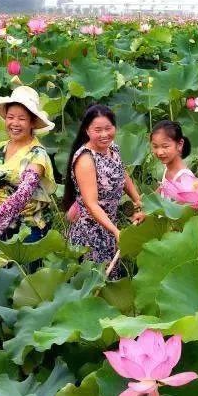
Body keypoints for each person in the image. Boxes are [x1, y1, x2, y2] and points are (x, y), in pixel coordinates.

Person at [63, 104, 144, 277]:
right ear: (87, 130)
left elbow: (122, 174)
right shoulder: (86, 159)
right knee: (96, 281)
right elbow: (91, 204)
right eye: (97, 130)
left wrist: (138, 201)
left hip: (109, 227)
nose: (104, 134)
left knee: (111, 280)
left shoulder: (112, 148)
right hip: (90, 232)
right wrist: (116, 231)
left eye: (108, 128)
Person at [0, 86, 57, 242]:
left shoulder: (37, 154)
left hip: (28, 228)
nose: (15, 123)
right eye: (10, 117)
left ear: (32, 122)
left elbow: (22, 195)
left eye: (22, 118)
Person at [150, 120, 196, 187]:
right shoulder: (167, 169)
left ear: (180, 144)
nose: (159, 152)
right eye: (155, 146)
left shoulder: (184, 179)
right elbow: (159, 192)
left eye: (165, 146)